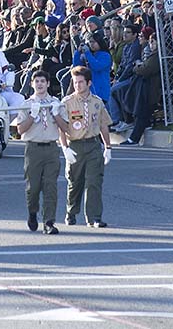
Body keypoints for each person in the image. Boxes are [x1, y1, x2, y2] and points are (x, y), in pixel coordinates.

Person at [59, 65, 113, 228]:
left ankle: (94, 217)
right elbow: (62, 127)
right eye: (75, 82)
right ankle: (71, 212)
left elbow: (104, 125)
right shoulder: (67, 102)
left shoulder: (97, 102)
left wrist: (108, 148)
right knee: (75, 183)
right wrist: (65, 148)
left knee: (94, 182)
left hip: (92, 145)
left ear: (89, 83)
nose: (77, 85)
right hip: (75, 145)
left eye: (81, 82)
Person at [14, 71, 62, 235]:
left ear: (48, 83)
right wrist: (32, 115)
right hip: (33, 148)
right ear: (32, 84)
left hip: (51, 148)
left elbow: (66, 127)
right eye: (37, 81)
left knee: (51, 187)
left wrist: (56, 114)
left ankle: (49, 222)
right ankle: (32, 212)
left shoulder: (56, 103)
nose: (40, 84)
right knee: (33, 188)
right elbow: (20, 129)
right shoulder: (27, 104)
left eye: (43, 81)